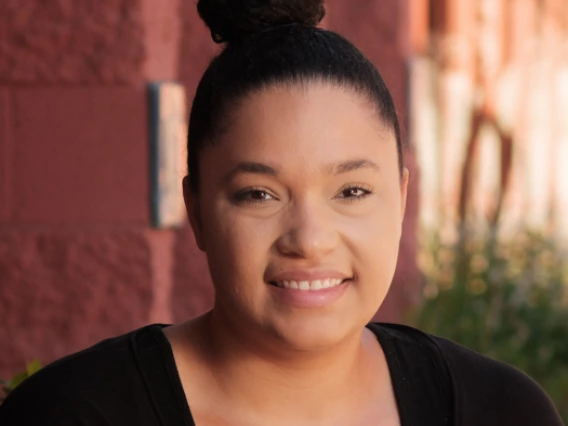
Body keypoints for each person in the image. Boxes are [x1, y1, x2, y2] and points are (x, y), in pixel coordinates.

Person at [0, 1, 563, 425]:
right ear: (195, 209)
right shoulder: (72, 413)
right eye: (259, 194)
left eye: (352, 191)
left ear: (402, 196)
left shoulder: (499, 411)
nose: (310, 239)